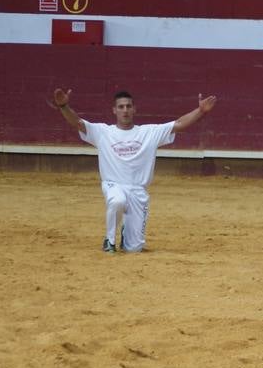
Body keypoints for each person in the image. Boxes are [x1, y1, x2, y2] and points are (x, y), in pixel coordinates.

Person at [50, 88, 217, 253]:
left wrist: (200, 111)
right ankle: (109, 240)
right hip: (113, 184)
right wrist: (64, 107)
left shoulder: (149, 132)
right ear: (114, 110)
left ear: (134, 109)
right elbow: (77, 122)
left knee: (134, 248)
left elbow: (179, 124)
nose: (125, 110)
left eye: (128, 106)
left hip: (138, 190)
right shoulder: (103, 132)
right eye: (121, 107)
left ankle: (126, 232)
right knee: (117, 201)